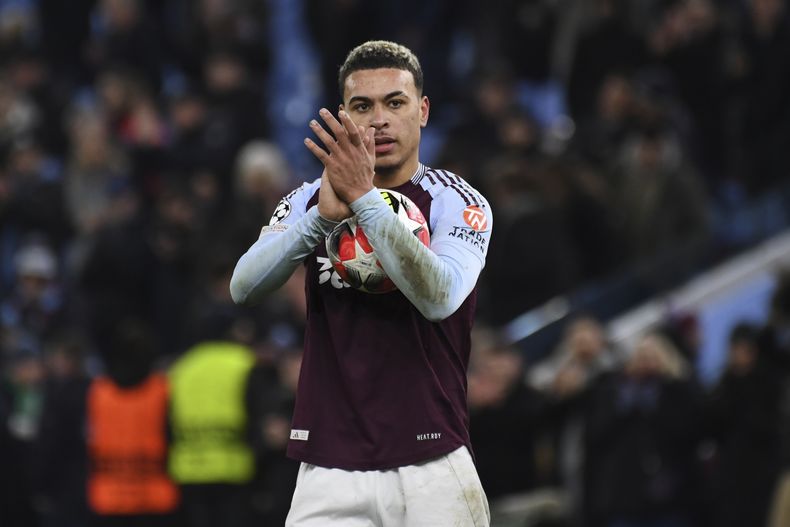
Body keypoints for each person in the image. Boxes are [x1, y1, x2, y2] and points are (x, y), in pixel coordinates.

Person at [230, 40, 493, 526]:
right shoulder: (310, 199)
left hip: (431, 461)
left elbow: (440, 298)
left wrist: (364, 199)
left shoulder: (457, 200)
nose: (380, 119)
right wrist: (318, 222)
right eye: (362, 106)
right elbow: (242, 287)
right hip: (328, 464)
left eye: (395, 102)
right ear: (343, 116)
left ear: (423, 110)